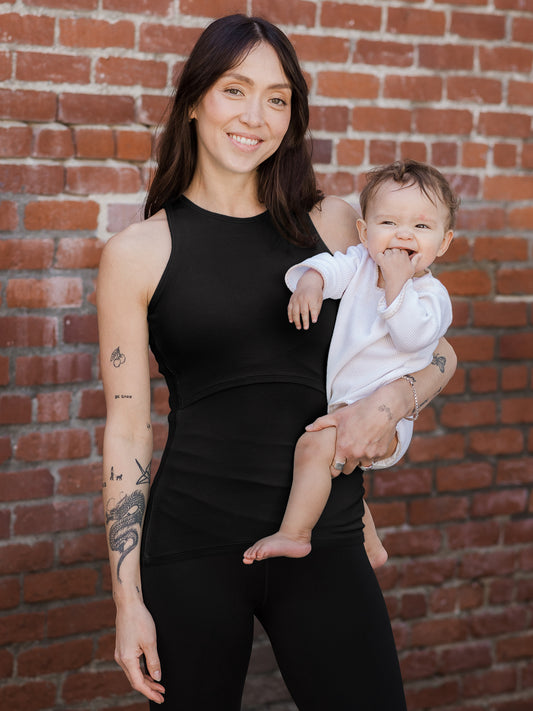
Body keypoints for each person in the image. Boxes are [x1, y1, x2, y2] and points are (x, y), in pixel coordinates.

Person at [97, 14, 457, 711]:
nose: (254, 116)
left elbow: (436, 349)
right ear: (196, 97)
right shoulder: (138, 253)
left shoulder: (335, 222)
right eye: (235, 90)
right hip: (191, 543)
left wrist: (388, 404)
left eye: (277, 97)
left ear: (292, 116)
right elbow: (126, 430)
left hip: (322, 533)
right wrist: (127, 600)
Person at [244, 160, 457, 567]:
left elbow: (416, 338)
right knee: (336, 468)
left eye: (422, 227)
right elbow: (329, 266)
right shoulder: (360, 263)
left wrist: (396, 285)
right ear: (364, 232)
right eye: (389, 222)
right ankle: (370, 545)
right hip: (345, 402)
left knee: (313, 447)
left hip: (388, 417)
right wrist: (311, 283)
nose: (404, 235)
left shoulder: (431, 295)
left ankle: (295, 533)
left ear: (444, 243)